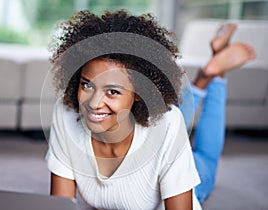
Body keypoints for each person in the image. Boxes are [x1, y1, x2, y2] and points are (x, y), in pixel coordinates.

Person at [45, 10, 256, 209]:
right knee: (166, 119)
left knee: (206, 159)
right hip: (150, 135)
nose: (93, 102)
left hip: (173, 175)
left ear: (140, 92)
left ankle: (213, 76)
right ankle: (206, 75)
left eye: (112, 92)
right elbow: (61, 204)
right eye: (87, 85)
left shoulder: (167, 125)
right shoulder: (66, 113)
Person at [179, 24, 256, 203]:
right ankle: (205, 76)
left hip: (179, 175)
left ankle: (211, 75)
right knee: (169, 128)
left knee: (207, 155)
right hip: (171, 168)